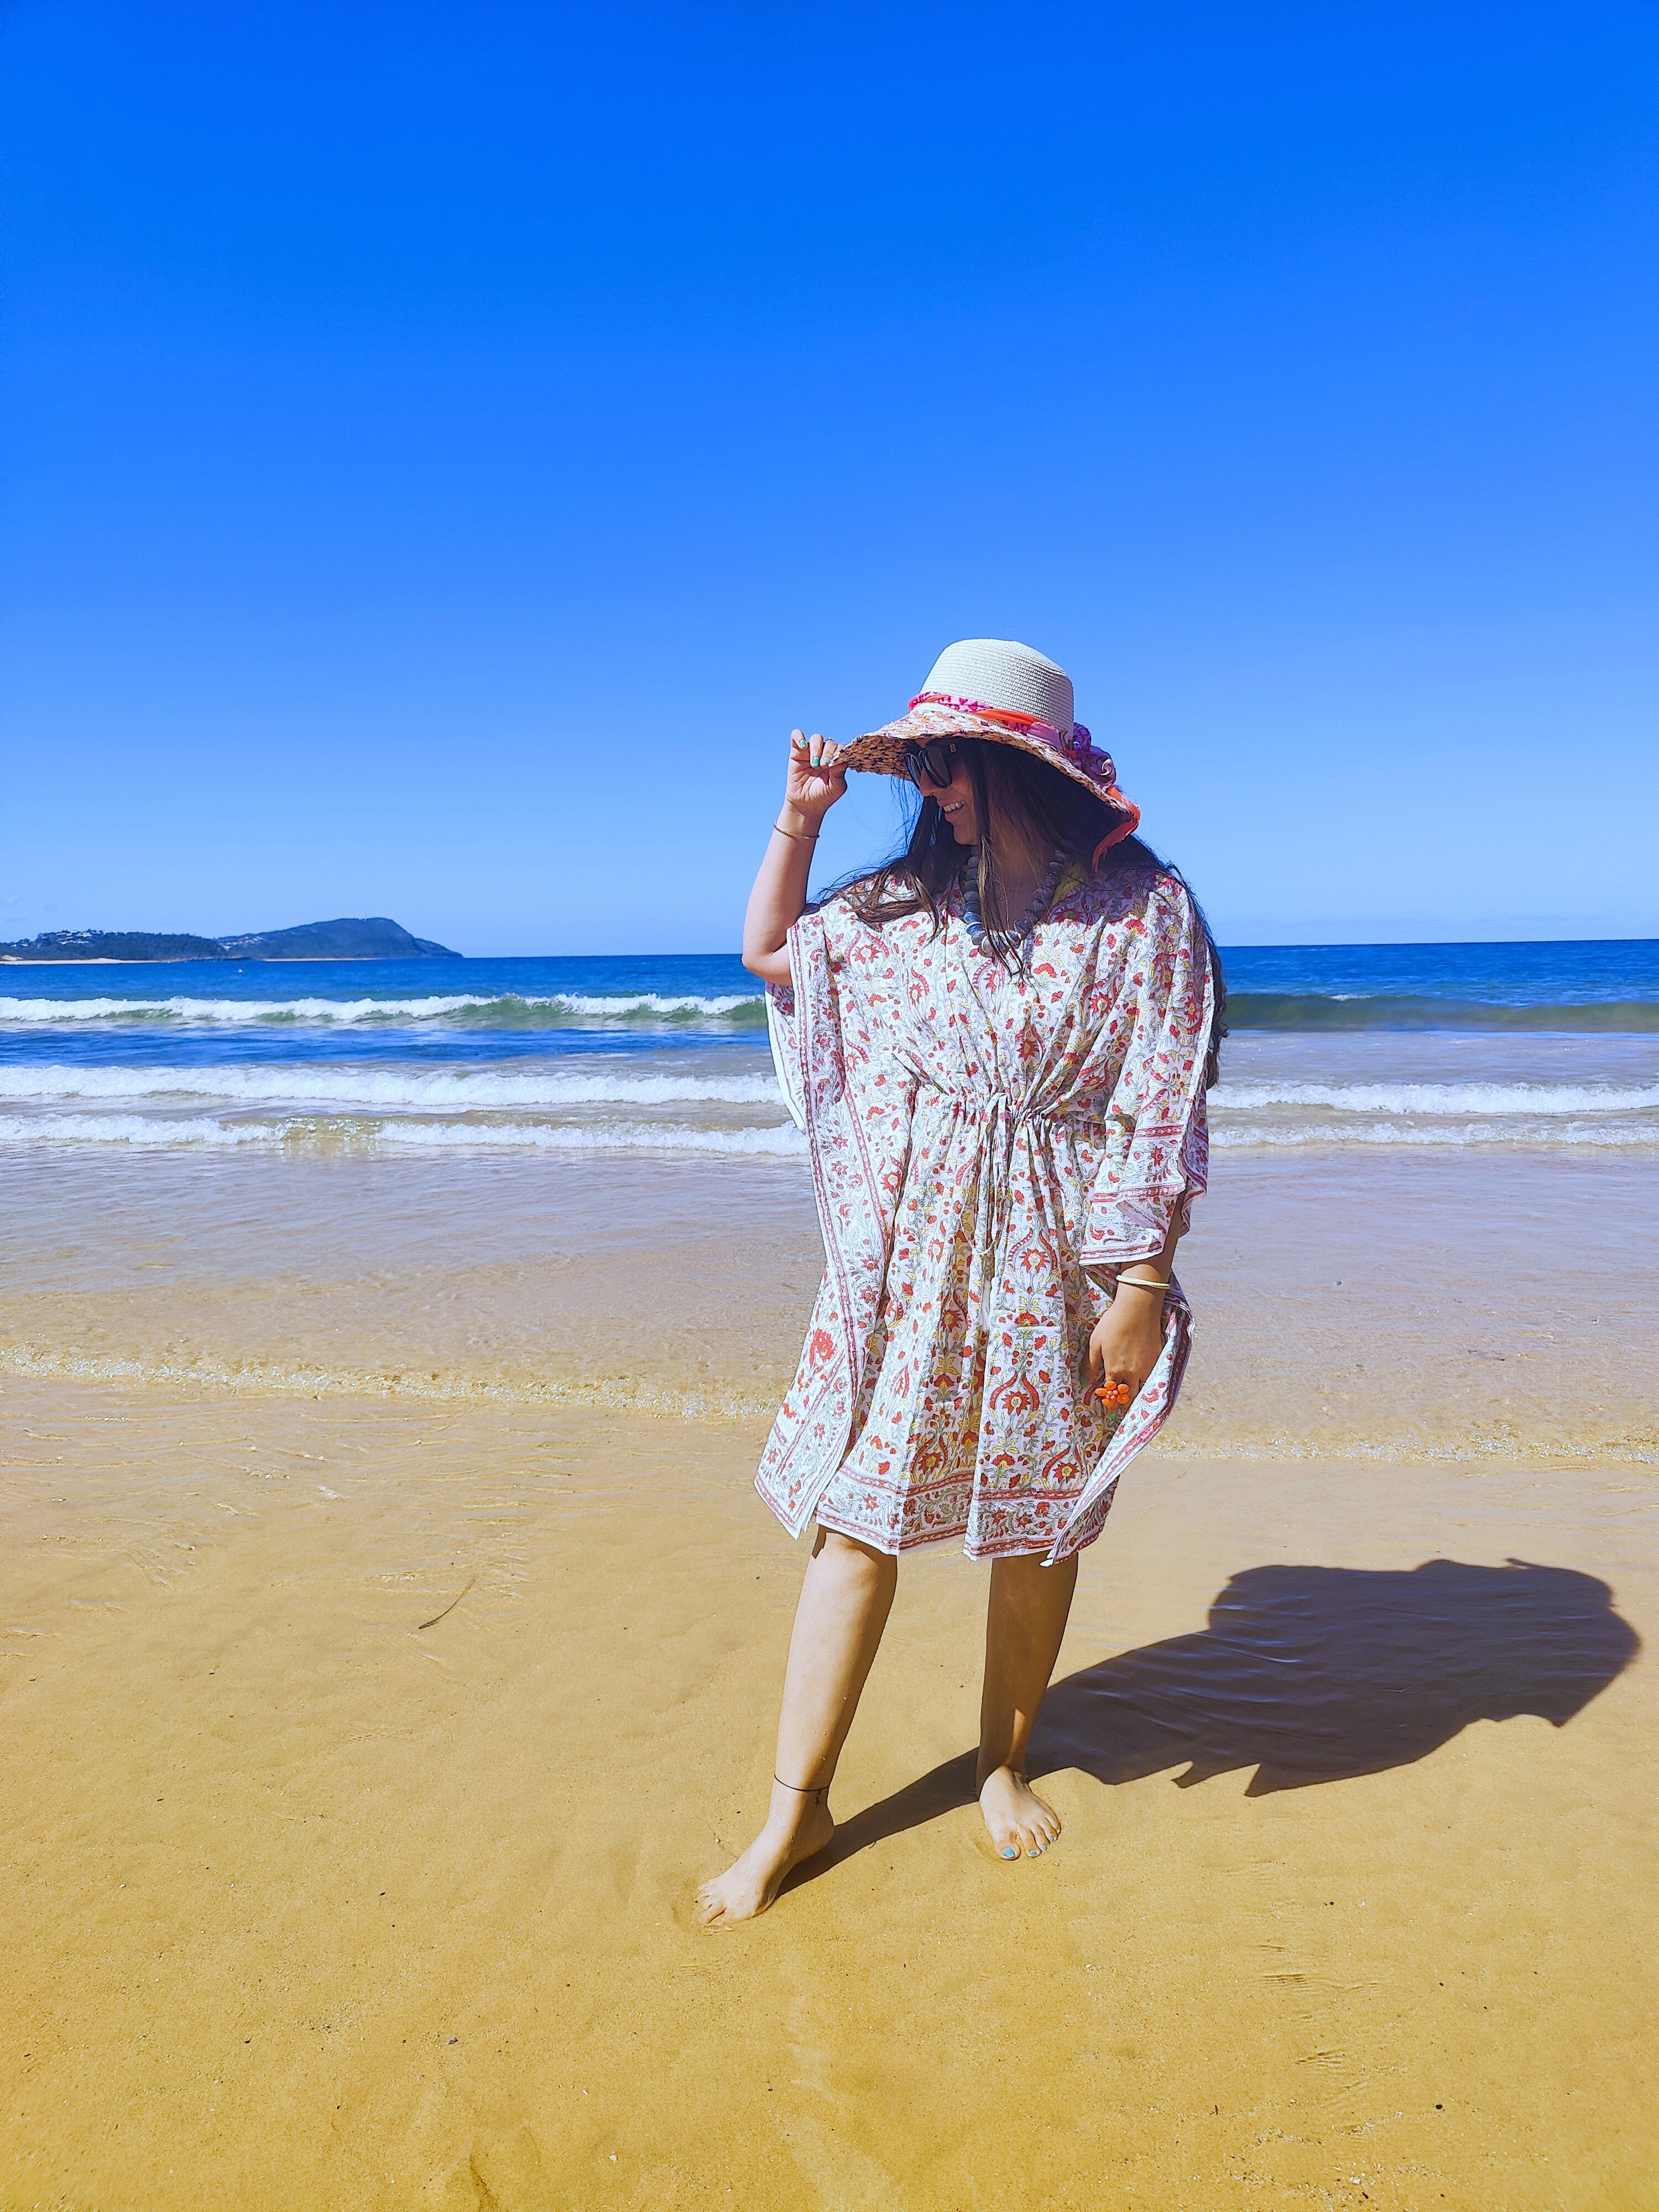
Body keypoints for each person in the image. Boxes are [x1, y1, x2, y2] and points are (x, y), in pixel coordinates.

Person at [697, 639, 1224, 1927]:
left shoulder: (1144, 915)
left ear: (1014, 767)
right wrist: (800, 821)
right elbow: (771, 949)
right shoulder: (900, 913)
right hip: (912, 1258)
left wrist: (1143, 1280)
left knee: (1040, 1523)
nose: (926, 785)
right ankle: (793, 1810)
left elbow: (1159, 1105)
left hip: (1062, 1255)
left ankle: (1000, 1760)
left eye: (945, 761)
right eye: (917, 761)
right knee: (858, 1516)